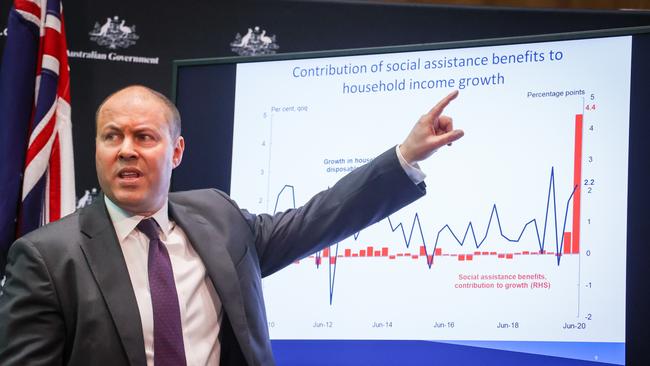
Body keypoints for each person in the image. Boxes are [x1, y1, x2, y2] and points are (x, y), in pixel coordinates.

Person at [0, 85, 463, 366]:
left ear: (176, 152)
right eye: (111, 137)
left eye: (144, 137)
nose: (126, 150)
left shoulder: (218, 219)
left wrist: (405, 155)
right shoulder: (47, 257)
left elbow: (318, 219)